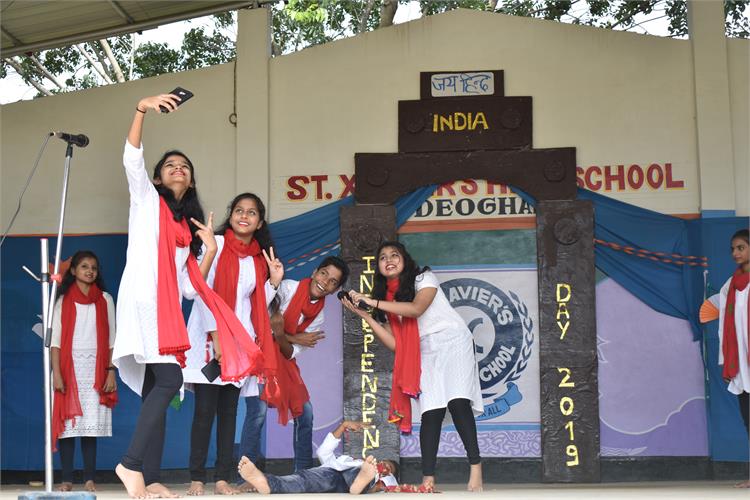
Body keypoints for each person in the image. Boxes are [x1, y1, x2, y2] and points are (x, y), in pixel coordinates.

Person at [113, 94, 265, 499]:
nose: (177, 168)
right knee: (170, 379)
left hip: (165, 311)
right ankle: (130, 464)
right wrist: (141, 109)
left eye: (184, 166)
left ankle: (149, 477)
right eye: (170, 165)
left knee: (157, 388)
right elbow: (131, 159)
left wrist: (209, 250)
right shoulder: (146, 201)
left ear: (192, 181)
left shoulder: (186, 232)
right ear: (158, 179)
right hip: (142, 302)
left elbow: (186, 288)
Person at [345, 241, 483, 492]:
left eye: (394, 255)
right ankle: (428, 479)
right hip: (424, 350)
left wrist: (372, 303)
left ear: (405, 259)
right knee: (431, 412)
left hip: (453, 339)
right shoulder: (386, 301)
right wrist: (366, 315)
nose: (389, 260)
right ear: (378, 267)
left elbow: (416, 309)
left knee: (458, 402)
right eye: (383, 257)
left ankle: (476, 468)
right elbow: (396, 345)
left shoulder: (423, 278)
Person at [183, 193, 283, 496]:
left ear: (260, 222)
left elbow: (255, 305)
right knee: (204, 412)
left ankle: (221, 478)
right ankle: (197, 477)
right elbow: (200, 292)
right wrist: (217, 338)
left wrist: (274, 281)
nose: (244, 216)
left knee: (229, 413)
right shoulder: (215, 244)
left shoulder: (258, 259)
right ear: (232, 215)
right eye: (239, 210)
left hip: (240, 343)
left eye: (251, 213)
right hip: (209, 339)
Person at [238, 256, 349, 485]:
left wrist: (282, 335)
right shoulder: (288, 288)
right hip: (260, 356)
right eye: (324, 274)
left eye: (333, 282)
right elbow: (259, 322)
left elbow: (288, 352)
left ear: (334, 290)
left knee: (305, 412)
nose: (325, 282)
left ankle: (304, 474)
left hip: (284, 363)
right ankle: (246, 476)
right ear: (315, 271)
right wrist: (295, 337)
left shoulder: (318, 316)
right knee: (257, 412)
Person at [51, 250, 117, 492]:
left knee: (90, 425)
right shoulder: (62, 300)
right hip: (68, 368)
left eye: (94, 268)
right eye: (84, 267)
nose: (90, 271)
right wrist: (57, 374)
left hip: (97, 368)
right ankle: (66, 479)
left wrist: (111, 371)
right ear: (73, 270)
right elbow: (55, 343)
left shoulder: (106, 299)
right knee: (68, 426)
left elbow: (112, 340)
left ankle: (90, 478)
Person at [237, 421, 398, 494]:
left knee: (362, 474)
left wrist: (377, 481)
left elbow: (388, 486)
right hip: (330, 474)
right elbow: (323, 452)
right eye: (384, 463)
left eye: (389, 468)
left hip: (360, 478)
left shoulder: (384, 476)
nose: (385, 466)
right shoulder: (348, 460)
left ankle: (360, 484)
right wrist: (343, 426)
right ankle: (266, 483)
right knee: (301, 480)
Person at [718, 228, 750, 488]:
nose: (735, 253)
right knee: (749, 419)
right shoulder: (730, 285)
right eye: (733, 249)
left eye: (741, 247)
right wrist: (725, 360)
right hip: (741, 364)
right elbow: (723, 327)